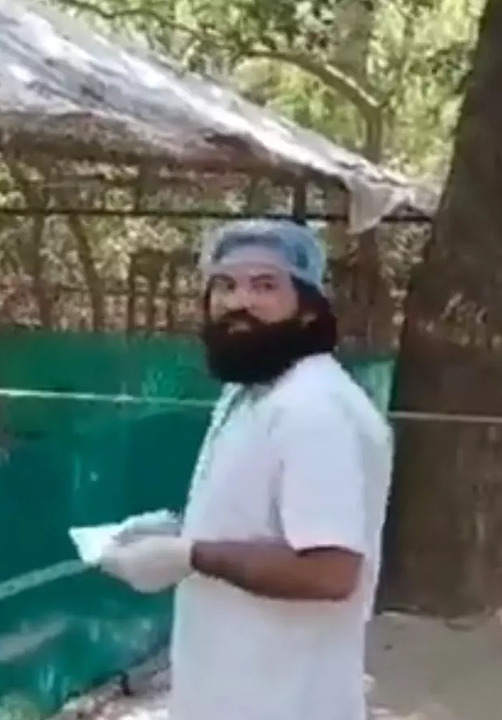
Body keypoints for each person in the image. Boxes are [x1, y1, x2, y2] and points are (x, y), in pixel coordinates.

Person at [96, 220, 394, 720]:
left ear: (307, 308)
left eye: (265, 286)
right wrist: (176, 537)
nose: (239, 302)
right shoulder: (250, 391)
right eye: (225, 285)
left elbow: (330, 571)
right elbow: (263, 527)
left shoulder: (314, 409)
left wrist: (192, 553)